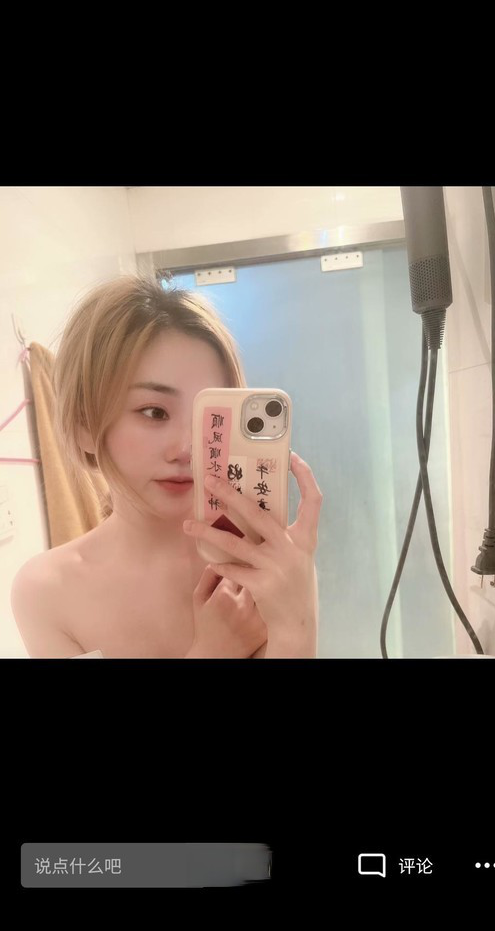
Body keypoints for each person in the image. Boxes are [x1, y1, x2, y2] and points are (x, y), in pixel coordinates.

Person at [11, 275, 322, 659]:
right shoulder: (46, 592)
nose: (188, 449)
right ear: (85, 425)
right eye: (154, 412)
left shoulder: (264, 564)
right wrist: (213, 651)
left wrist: (296, 621)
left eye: (208, 417)